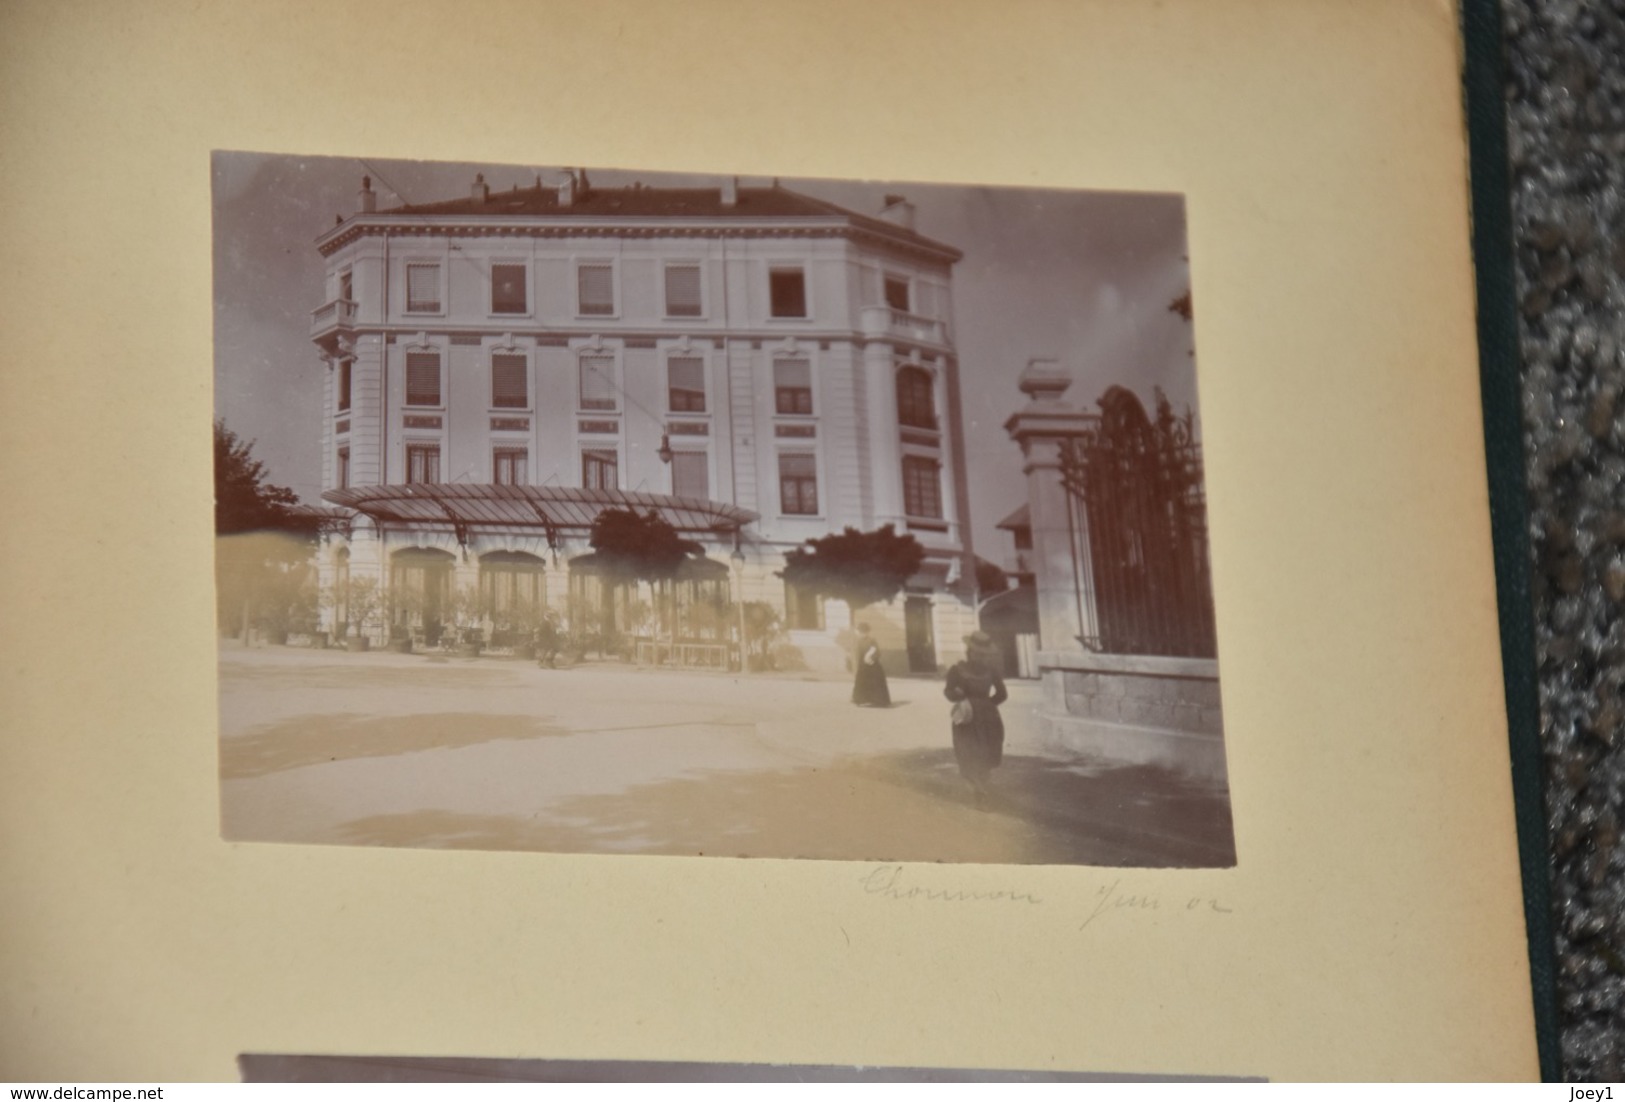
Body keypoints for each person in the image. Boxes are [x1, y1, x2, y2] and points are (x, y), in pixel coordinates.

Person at [944, 631, 1008, 806]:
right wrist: (957, 696)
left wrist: (985, 705)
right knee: (968, 752)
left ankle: (981, 791)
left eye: (984, 655)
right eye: (977, 654)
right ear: (969, 652)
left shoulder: (991, 671)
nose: (980, 658)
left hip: (987, 719)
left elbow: (1002, 694)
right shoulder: (957, 670)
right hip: (967, 719)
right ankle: (980, 792)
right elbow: (948, 692)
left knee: (986, 754)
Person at [850, 622, 890, 707]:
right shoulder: (858, 641)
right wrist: (857, 665)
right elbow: (858, 655)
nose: (861, 634)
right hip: (863, 666)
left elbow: (878, 652)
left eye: (863, 632)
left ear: (867, 632)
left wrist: (871, 658)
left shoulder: (872, 640)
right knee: (861, 682)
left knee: (875, 683)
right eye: (860, 632)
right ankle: (859, 700)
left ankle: (878, 701)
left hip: (873, 666)